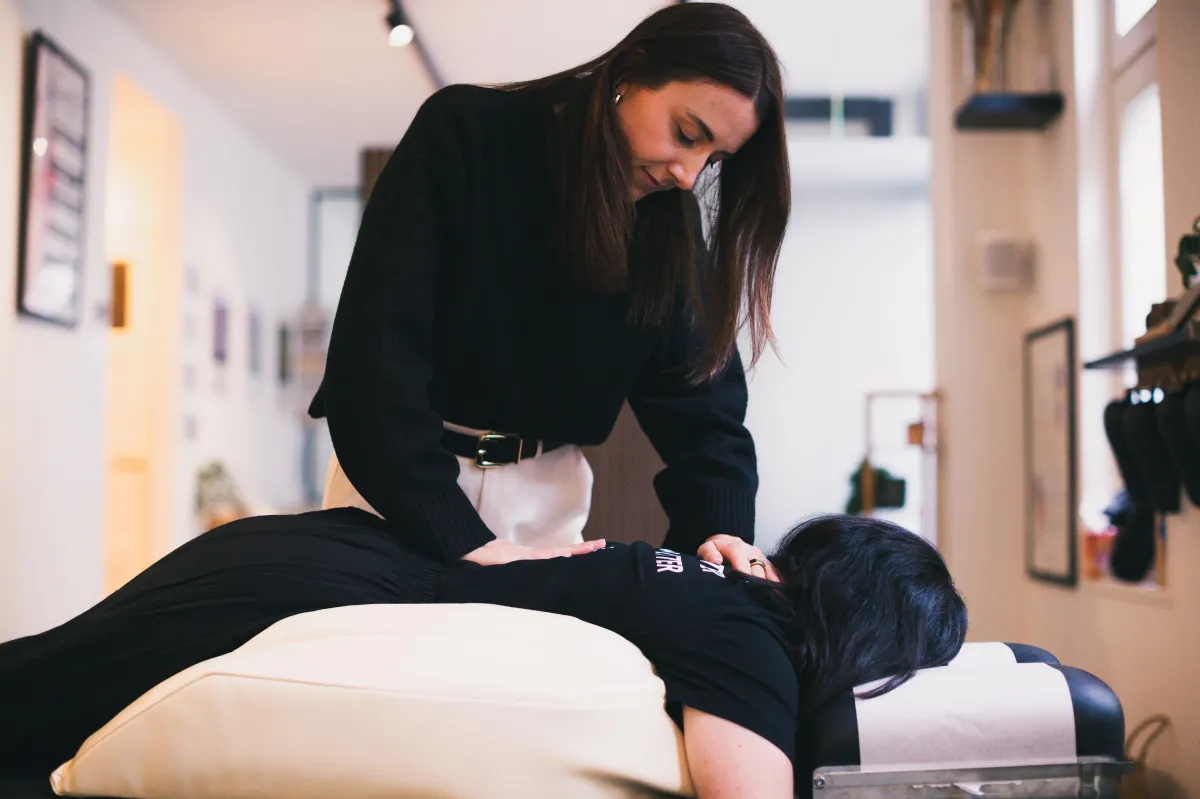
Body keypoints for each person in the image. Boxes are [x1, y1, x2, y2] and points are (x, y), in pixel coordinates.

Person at [309, 1, 791, 578]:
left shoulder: (668, 224)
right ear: (632, 71)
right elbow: (374, 360)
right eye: (687, 133)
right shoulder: (466, 133)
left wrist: (719, 531)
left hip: (546, 503)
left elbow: (705, 407)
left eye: (712, 159)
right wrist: (458, 534)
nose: (687, 173)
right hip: (394, 485)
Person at [0, 511, 966, 798]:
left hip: (328, 552)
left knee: (40, 679)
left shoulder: (732, 586)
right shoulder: (753, 642)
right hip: (302, 595)